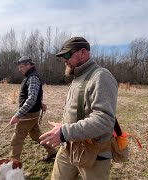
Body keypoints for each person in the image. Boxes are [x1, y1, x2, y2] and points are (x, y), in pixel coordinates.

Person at [39, 37, 118, 180]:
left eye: (67, 55)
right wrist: (65, 128)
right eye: (63, 57)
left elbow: (105, 120)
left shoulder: (101, 77)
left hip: (93, 153)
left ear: (83, 52)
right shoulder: (78, 77)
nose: (64, 60)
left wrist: (64, 131)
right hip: (68, 147)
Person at [9, 56, 57, 162]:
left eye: (21, 66)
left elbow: (31, 99)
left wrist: (18, 115)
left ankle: (13, 165)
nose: (20, 69)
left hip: (28, 115)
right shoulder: (30, 77)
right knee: (36, 135)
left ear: (28, 65)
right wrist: (40, 103)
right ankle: (53, 151)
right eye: (19, 67)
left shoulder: (32, 78)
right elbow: (34, 96)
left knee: (17, 140)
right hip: (32, 113)